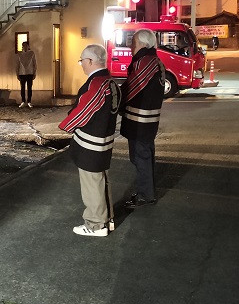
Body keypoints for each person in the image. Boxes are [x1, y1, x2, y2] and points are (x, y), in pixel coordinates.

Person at [58, 44, 120, 237]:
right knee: (101, 180)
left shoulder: (97, 83)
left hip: (90, 142)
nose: (81, 65)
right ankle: (107, 219)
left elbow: (83, 111)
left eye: (82, 61)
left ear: (91, 61)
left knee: (92, 183)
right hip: (105, 139)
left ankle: (95, 224)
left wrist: (65, 126)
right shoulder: (111, 82)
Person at [120, 29, 165, 209]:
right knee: (144, 156)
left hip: (141, 121)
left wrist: (113, 101)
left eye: (135, 43)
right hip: (147, 120)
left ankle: (146, 195)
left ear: (144, 45)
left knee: (141, 157)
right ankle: (145, 191)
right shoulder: (154, 61)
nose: (132, 46)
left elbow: (131, 87)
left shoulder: (145, 63)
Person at [16, 41, 37, 107]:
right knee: (22, 88)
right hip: (22, 73)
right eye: (23, 46)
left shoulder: (31, 53)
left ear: (28, 46)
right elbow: (17, 65)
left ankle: (29, 101)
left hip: (30, 72)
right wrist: (17, 74)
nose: (24, 47)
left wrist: (34, 73)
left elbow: (34, 64)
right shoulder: (19, 54)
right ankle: (23, 101)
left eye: (26, 46)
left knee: (29, 88)